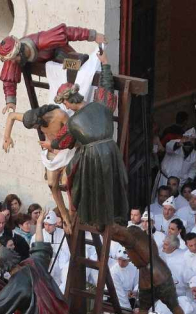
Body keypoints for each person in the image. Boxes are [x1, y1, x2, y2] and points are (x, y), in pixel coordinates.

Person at [50, 53, 128, 227]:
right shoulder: (101, 104)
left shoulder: (73, 122)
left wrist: (50, 144)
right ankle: (115, 214)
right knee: (113, 183)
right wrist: (106, 64)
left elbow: (62, 141)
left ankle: (97, 218)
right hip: (111, 150)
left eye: (65, 104)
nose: (65, 107)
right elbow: (107, 85)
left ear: (68, 101)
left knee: (89, 186)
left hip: (93, 156)